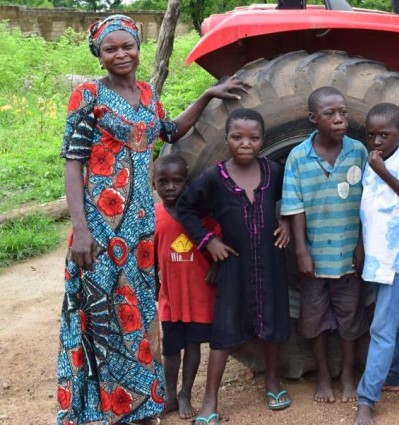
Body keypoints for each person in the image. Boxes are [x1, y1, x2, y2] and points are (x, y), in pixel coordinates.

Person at [57, 14, 247, 425]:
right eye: (111, 48)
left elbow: (170, 131)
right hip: (101, 228)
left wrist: (209, 95)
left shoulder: (146, 94)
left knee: (138, 316)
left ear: (139, 48)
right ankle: (98, 410)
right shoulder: (88, 95)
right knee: (102, 316)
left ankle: (136, 405)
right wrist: (82, 231)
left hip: (141, 227)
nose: (121, 54)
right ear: (99, 54)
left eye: (128, 46)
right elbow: (73, 164)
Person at [176, 108, 292, 424]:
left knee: (272, 322)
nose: (245, 144)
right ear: (226, 138)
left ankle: (272, 381)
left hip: (270, 263)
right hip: (233, 265)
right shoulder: (214, 179)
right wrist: (207, 241)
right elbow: (185, 208)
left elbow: (294, 200)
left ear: (262, 140)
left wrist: (287, 222)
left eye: (253, 138)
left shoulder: (274, 172)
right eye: (237, 137)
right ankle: (210, 399)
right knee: (225, 329)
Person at [281, 86, 369, 403]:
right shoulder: (297, 157)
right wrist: (302, 251)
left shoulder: (358, 151)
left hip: (348, 257)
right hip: (315, 261)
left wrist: (361, 244)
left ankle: (347, 376)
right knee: (314, 321)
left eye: (343, 112)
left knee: (350, 320)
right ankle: (322, 377)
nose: (339, 119)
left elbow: (367, 203)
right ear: (313, 118)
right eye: (329, 114)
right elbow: (294, 207)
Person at [355, 103, 399, 425]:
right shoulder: (374, 159)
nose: (377, 141)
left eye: (385, 135)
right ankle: (393, 375)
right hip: (377, 254)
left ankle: (366, 399)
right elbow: (368, 204)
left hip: (395, 256)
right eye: (372, 135)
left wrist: (383, 170)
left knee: (381, 328)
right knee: (392, 319)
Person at [153, 154, 218, 420]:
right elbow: (148, 252)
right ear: (153, 183)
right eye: (163, 182)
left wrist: (217, 265)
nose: (170, 187)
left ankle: (185, 394)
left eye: (177, 181)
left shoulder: (198, 213)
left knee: (193, 346)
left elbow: (218, 237)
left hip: (198, 296)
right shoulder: (154, 216)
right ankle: (169, 394)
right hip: (171, 298)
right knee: (171, 349)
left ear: (187, 183)